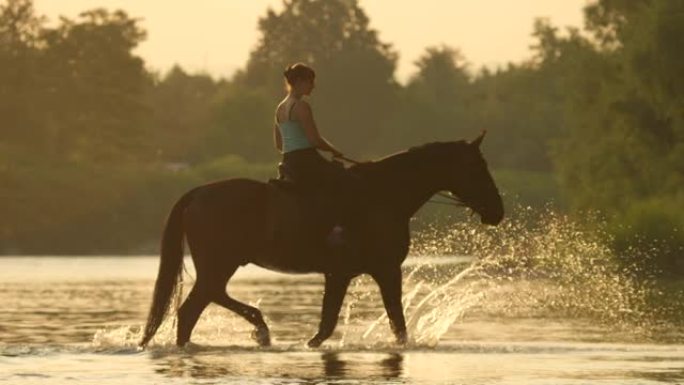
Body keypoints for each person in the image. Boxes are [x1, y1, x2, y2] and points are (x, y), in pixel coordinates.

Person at [273, 63, 358, 245]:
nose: (313, 86)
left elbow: (279, 144)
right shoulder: (301, 107)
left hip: (289, 161)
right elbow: (314, 140)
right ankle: (337, 230)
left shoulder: (280, 109)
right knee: (347, 180)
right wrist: (334, 150)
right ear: (299, 82)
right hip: (306, 161)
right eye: (310, 81)